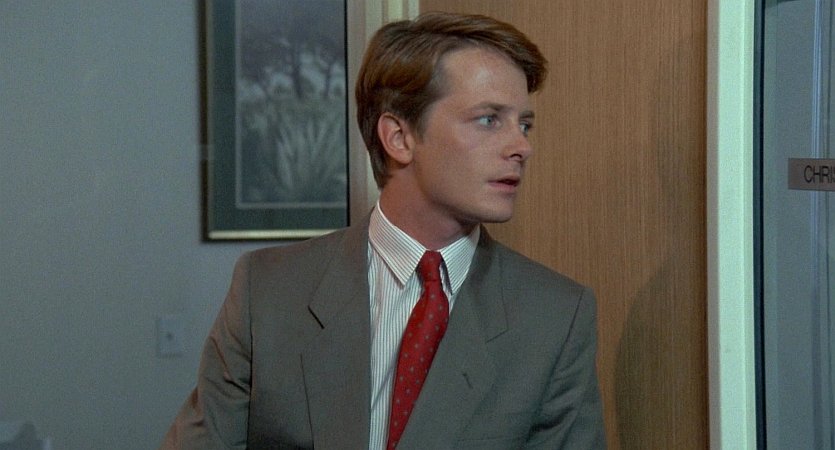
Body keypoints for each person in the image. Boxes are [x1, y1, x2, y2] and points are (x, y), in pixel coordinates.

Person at [161, 11, 605, 449]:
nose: (521, 146)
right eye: (489, 119)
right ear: (399, 138)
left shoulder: (555, 318)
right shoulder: (268, 291)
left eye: (524, 124)